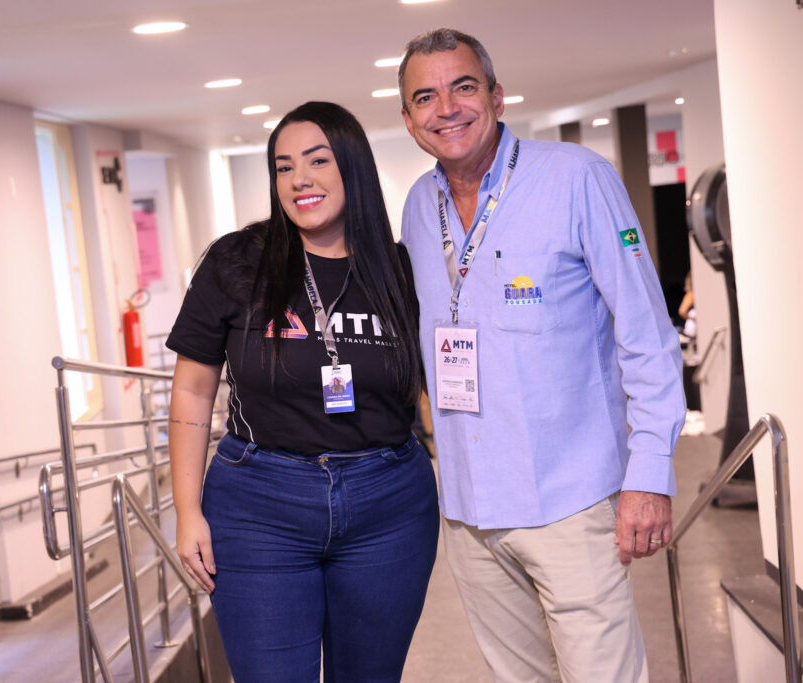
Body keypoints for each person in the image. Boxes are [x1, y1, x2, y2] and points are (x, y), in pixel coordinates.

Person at [397, 28, 685, 681]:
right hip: (470, 509)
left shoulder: (577, 178)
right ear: (409, 120)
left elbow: (647, 334)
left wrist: (649, 474)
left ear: (497, 97)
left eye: (463, 87)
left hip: (572, 499)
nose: (447, 108)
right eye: (426, 96)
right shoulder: (419, 206)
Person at [166, 101, 439, 682]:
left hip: (388, 503)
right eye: (284, 167)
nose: (300, 180)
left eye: (317, 161)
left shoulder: (399, 270)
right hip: (260, 503)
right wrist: (187, 511)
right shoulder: (238, 261)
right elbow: (192, 391)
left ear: (353, 168)